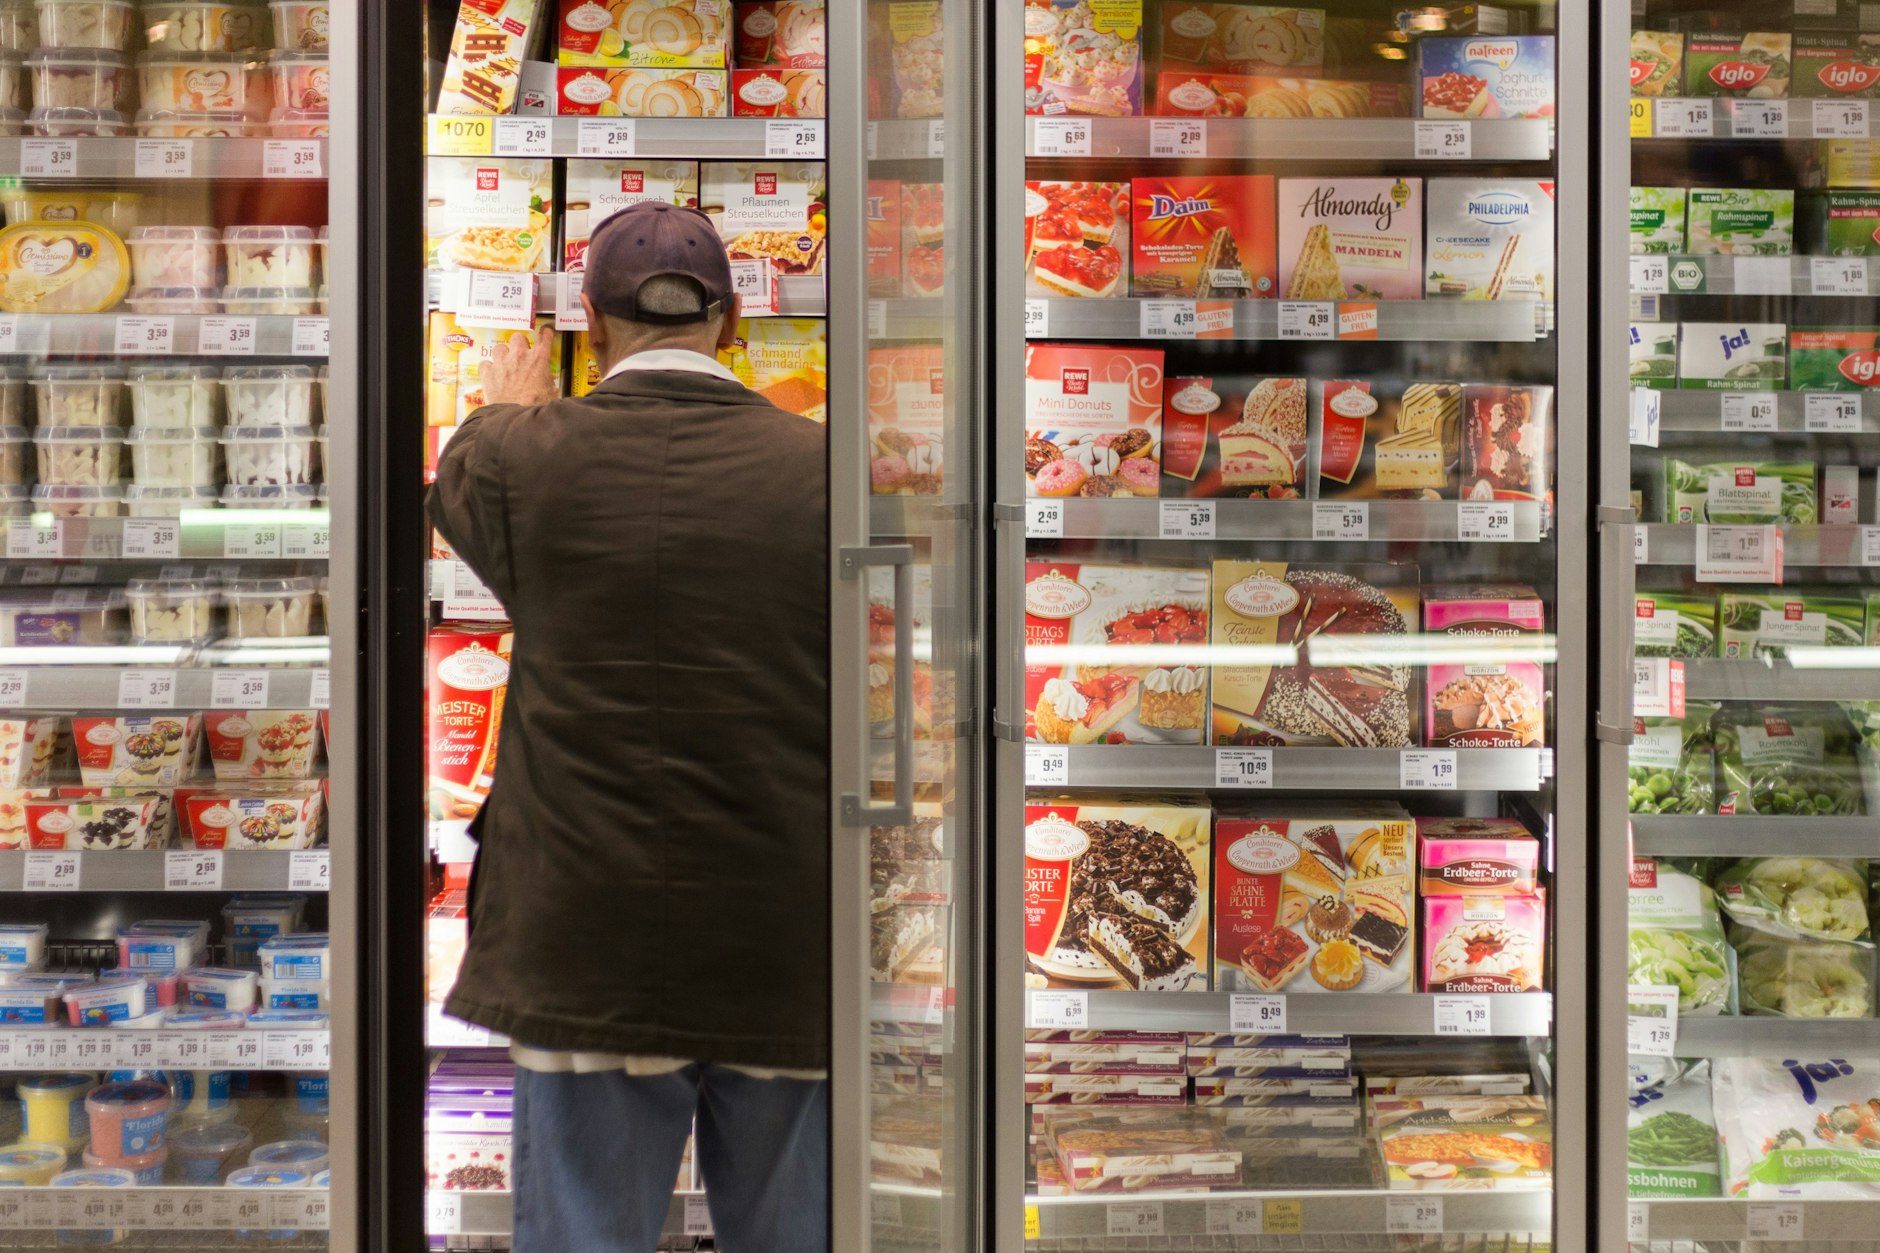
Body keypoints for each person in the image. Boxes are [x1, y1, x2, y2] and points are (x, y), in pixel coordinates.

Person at [428, 201, 830, 1253]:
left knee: (583, 1234)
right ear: (730, 321)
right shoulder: (829, 468)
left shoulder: (513, 455)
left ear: (591, 323)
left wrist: (508, 406)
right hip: (778, 924)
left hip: (582, 928)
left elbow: (468, 477)